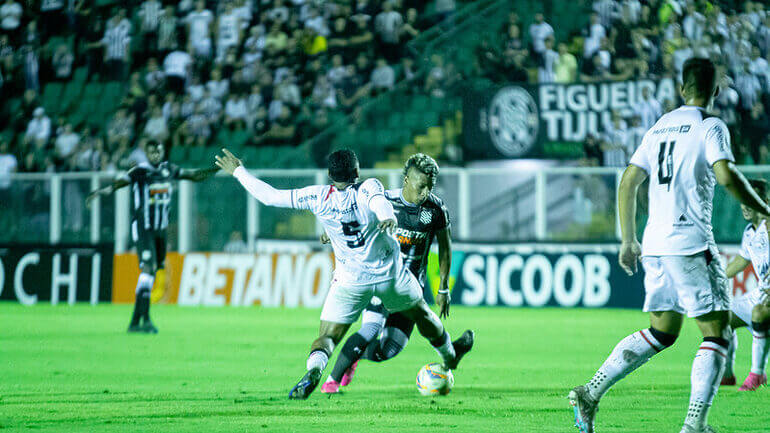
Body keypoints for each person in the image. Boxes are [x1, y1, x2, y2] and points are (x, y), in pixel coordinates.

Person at [569, 57, 770, 433]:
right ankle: (695, 425)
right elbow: (725, 174)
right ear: (715, 91)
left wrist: (628, 238)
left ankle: (590, 392)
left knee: (662, 332)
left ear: (682, 89)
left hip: (655, 242)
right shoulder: (710, 125)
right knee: (717, 334)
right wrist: (763, 208)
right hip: (689, 241)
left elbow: (629, 180)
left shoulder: (659, 127)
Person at [214, 148, 474, 400]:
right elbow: (378, 203)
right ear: (357, 171)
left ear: (329, 174)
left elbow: (270, 196)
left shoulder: (316, 196)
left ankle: (315, 370)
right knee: (422, 314)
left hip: (350, 281)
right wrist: (387, 217)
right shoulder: (370, 187)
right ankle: (449, 355)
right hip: (390, 276)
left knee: (327, 337)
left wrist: (239, 171)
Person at [320, 153, 454, 394]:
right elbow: (353, 219)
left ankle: (356, 358)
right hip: (380, 276)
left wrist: (443, 288)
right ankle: (331, 380)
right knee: (370, 328)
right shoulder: (385, 201)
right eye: (421, 185)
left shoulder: (436, 209)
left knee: (388, 349)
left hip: (408, 288)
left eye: (430, 186)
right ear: (406, 180)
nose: (426, 191)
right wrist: (332, 232)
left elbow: (445, 248)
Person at [86, 141, 218, 333]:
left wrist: (217, 169)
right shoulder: (140, 171)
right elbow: (118, 184)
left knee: (151, 273)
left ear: (163, 152)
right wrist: (100, 192)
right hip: (143, 228)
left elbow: (194, 175)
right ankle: (146, 320)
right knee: (148, 270)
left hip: (160, 230)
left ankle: (134, 323)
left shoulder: (168, 170)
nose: (155, 154)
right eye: (151, 152)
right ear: (146, 154)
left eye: (158, 151)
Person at [721, 179, 770, 391]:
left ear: (765, 201)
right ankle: (727, 374)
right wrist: (717, 277)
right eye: (742, 200)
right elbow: (742, 261)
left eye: (749, 200)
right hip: (761, 293)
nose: (744, 205)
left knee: (759, 313)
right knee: (721, 319)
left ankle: (757, 374)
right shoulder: (750, 231)